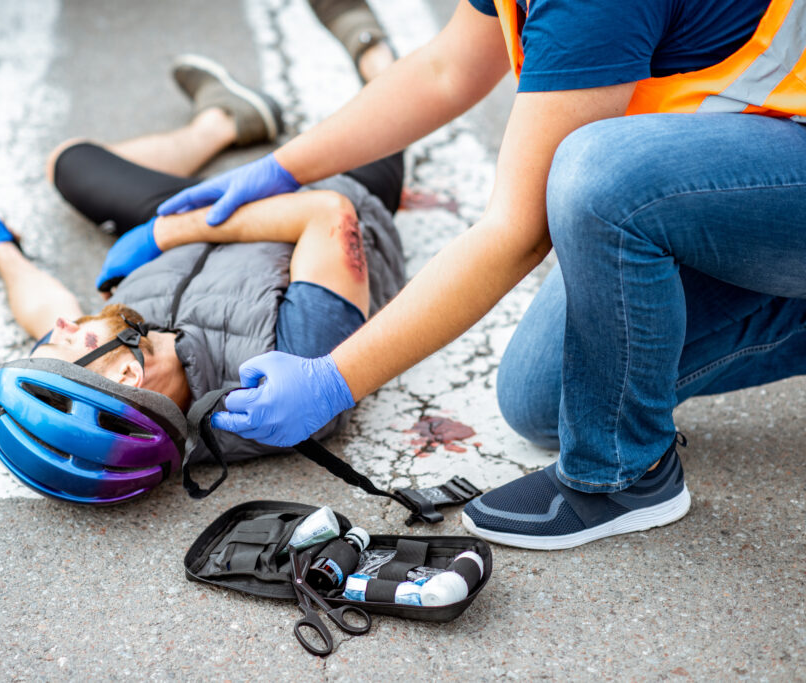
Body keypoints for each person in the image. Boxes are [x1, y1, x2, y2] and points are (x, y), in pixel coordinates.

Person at [158, 0, 806, 549]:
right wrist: (284, 167)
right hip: (756, 166)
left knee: (600, 179)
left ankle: (623, 477)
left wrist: (335, 379)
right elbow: (446, 70)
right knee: (545, 399)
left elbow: (515, 232)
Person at [0, 23, 409, 503]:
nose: (64, 325)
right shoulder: (287, 366)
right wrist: (163, 232)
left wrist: (0, 249)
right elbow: (327, 213)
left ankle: (225, 120)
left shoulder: (109, 360)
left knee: (68, 161)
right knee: (396, 104)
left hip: (202, 223)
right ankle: (371, 48)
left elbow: (44, 307)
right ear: (126, 379)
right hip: (329, 193)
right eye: (68, 340)